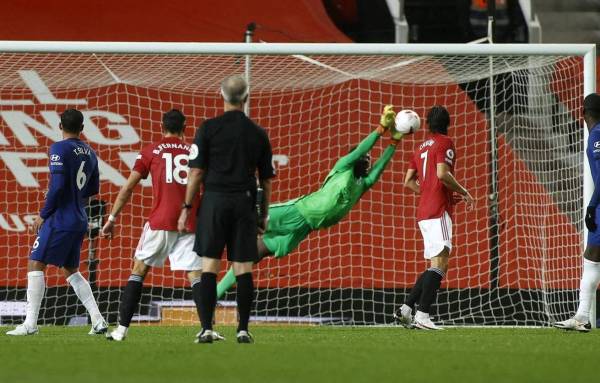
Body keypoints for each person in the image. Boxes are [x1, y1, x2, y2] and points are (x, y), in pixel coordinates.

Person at [214, 105, 402, 299]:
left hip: (305, 227)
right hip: (298, 211)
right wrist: (381, 129)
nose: (368, 162)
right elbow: (361, 149)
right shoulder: (343, 167)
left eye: (369, 160)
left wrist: (394, 142)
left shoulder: (362, 184)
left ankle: (214, 294)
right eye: (365, 159)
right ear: (356, 159)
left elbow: (378, 169)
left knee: (254, 254)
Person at [101, 109, 222, 342]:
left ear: (161, 127)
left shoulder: (150, 151)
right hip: (189, 222)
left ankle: (121, 330)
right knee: (196, 274)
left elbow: (128, 188)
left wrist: (111, 219)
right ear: (184, 128)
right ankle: (207, 328)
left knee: (139, 270)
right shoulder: (195, 152)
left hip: (160, 220)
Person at [177, 74, 275, 344]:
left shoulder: (208, 128)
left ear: (221, 94)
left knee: (209, 265)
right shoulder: (258, 133)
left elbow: (196, 172)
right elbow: (266, 179)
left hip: (215, 201)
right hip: (243, 202)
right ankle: (243, 329)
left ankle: (207, 328)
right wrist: (263, 214)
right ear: (245, 97)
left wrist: (186, 207)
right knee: (243, 267)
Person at [6, 109, 108, 336]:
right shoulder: (91, 152)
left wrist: (44, 213)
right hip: (79, 218)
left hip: (60, 218)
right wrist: (73, 199)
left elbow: (59, 185)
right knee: (71, 270)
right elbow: (92, 190)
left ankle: (30, 324)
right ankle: (98, 320)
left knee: (36, 262)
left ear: (59, 125)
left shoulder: (58, 148)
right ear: (82, 129)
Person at [393, 105, 474, 331]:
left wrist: (430, 191)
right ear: (447, 123)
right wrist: (464, 191)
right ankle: (423, 315)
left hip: (423, 212)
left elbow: (408, 181)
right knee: (441, 263)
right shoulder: (445, 142)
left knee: (434, 264)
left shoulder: (420, 148)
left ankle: (406, 310)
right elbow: (442, 174)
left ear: (427, 124)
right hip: (438, 210)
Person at [554, 93, 600, 333]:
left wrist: (592, 205)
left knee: (592, 256)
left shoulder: (597, 136)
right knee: (591, 256)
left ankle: (582, 315)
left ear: (583, 114)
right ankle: (582, 316)